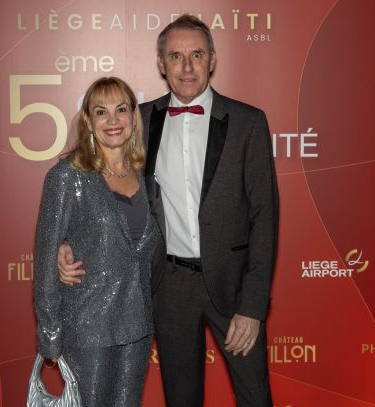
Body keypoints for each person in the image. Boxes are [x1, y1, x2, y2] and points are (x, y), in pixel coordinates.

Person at [58, 15, 279, 407]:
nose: (187, 66)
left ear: (213, 59)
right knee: (181, 398)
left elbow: (265, 217)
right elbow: (91, 175)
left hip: (235, 284)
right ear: (162, 64)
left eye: (197, 54)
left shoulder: (248, 122)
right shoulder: (139, 119)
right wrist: (65, 241)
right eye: (176, 56)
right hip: (169, 285)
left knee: (255, 397)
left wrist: (253, 306)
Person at [33, 77, 160, 407]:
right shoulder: (67, 176)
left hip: (138, 324)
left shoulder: (149, 175)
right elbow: (46, 255)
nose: (113, 120)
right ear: (88, 120)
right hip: (87, 325)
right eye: (101, 112)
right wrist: (50, 333)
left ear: (134, 116)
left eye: (121, 109)